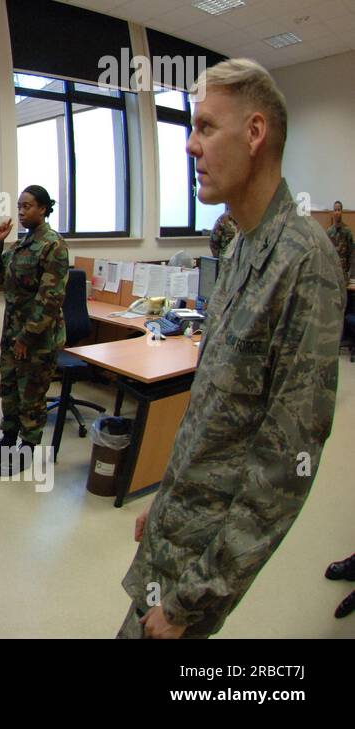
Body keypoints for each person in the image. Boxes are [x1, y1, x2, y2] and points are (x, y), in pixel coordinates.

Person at [119, 58, 342, 639]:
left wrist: (193, 603)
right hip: (180, 526)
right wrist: (166, 498)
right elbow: (215, 405)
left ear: (255, 133)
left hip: (205, 565)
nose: (190, 146)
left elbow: (286, 463)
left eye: (205, 127)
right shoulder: (244, 245)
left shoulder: (304, 260)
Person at [0, 186, 69, 473]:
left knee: (31, 394)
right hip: (13, 332)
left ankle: (27, 449)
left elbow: (50, 299)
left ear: (44, 209)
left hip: (37, 338)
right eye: (20, 206)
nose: (22, 212)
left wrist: (27, 336)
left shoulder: (52, 245)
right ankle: (8, 442)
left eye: (29, 206)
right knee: (9, 389)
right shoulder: (22, 244)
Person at [328, 201, 352, 279]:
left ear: (342, 212)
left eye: (339, 210)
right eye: (335, 210)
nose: (337, 212)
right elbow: (327, 253)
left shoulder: (347, 231)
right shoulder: (329, 232)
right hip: (332, 273)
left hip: (344, 273)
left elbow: (352, 254)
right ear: (333, 212)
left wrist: (350, 273)